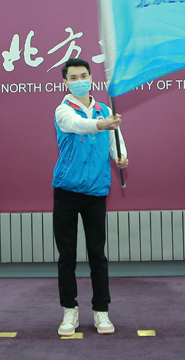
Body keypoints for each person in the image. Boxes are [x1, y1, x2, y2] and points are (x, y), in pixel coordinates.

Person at [52, 58, 128, 336]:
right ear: (66, 82)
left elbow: (116, 141)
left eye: (84, 75)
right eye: (73, 78)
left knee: (97, 254)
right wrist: (102, 124)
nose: (80, 81)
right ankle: (69, 309)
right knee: (67, 255)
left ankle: (101, 310)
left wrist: (121, 156)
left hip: (96, 192)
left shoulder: (105, 110)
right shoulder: (63, 110)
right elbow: (79, 125)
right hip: (67, 191)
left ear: (91, 77)